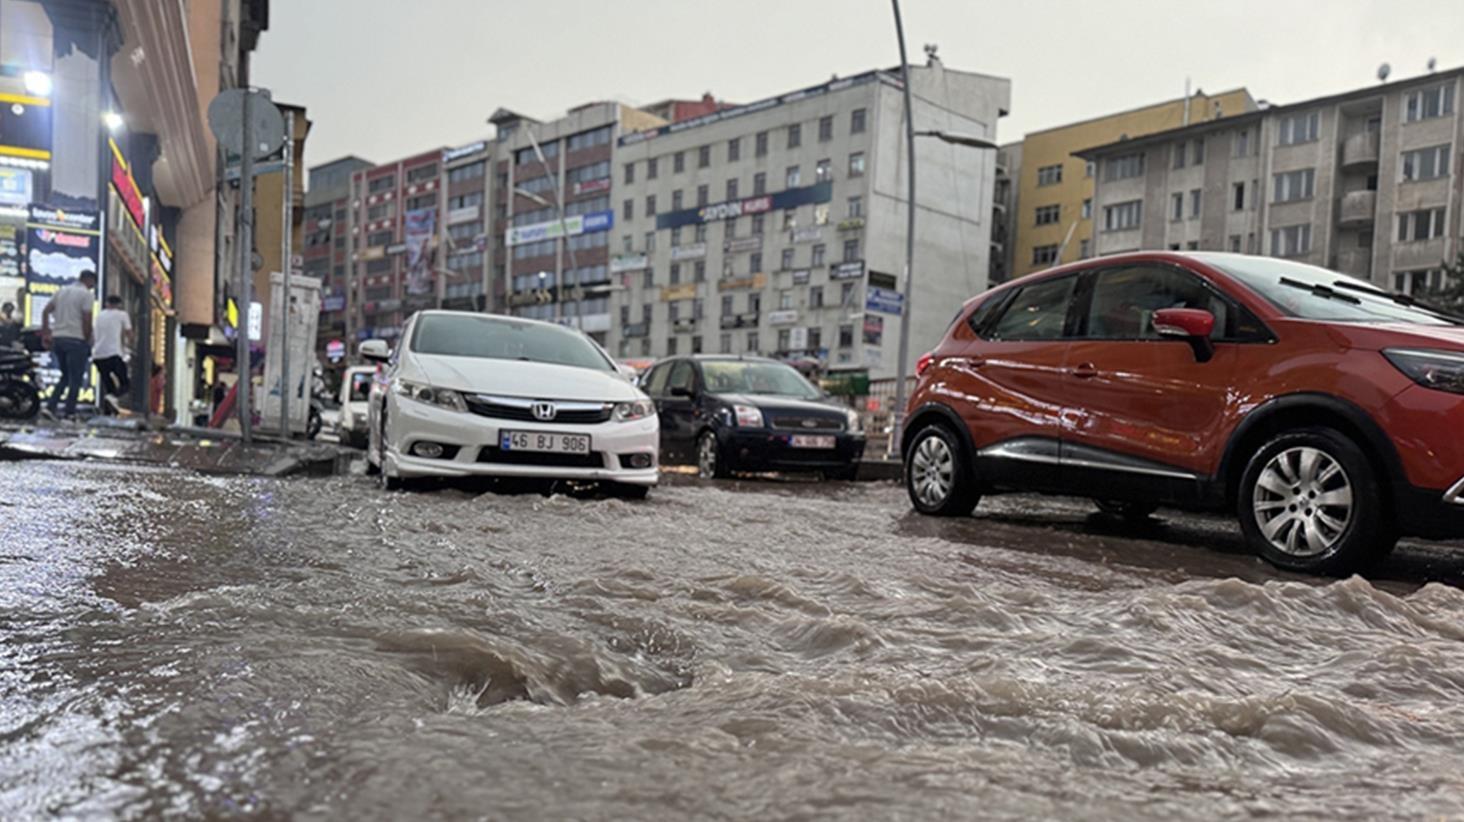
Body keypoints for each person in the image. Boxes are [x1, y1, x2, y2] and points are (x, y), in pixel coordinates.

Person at [41, 270, 96, 420]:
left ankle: (51, 407)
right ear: (89, 281)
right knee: (75, 378)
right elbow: (87, 319)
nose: (92, 287)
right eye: (93, 284)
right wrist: (87, 338)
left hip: (58, 339)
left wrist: (46, 332)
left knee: (65, 376)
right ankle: (69, 412)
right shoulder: (86, 295)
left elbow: (46, 311)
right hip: (76, 340)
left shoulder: (62, 291)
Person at [92, 294, 132, 414]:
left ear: (107, 303)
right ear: (119, 305)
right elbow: (129, 332)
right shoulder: (122, 315)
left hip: (98, 354)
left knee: (108, 383)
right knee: (125, 384)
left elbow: (94, 334)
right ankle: (111, 398)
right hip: (113, 353)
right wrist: (128, 345)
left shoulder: (99, 316)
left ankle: (109, 410)